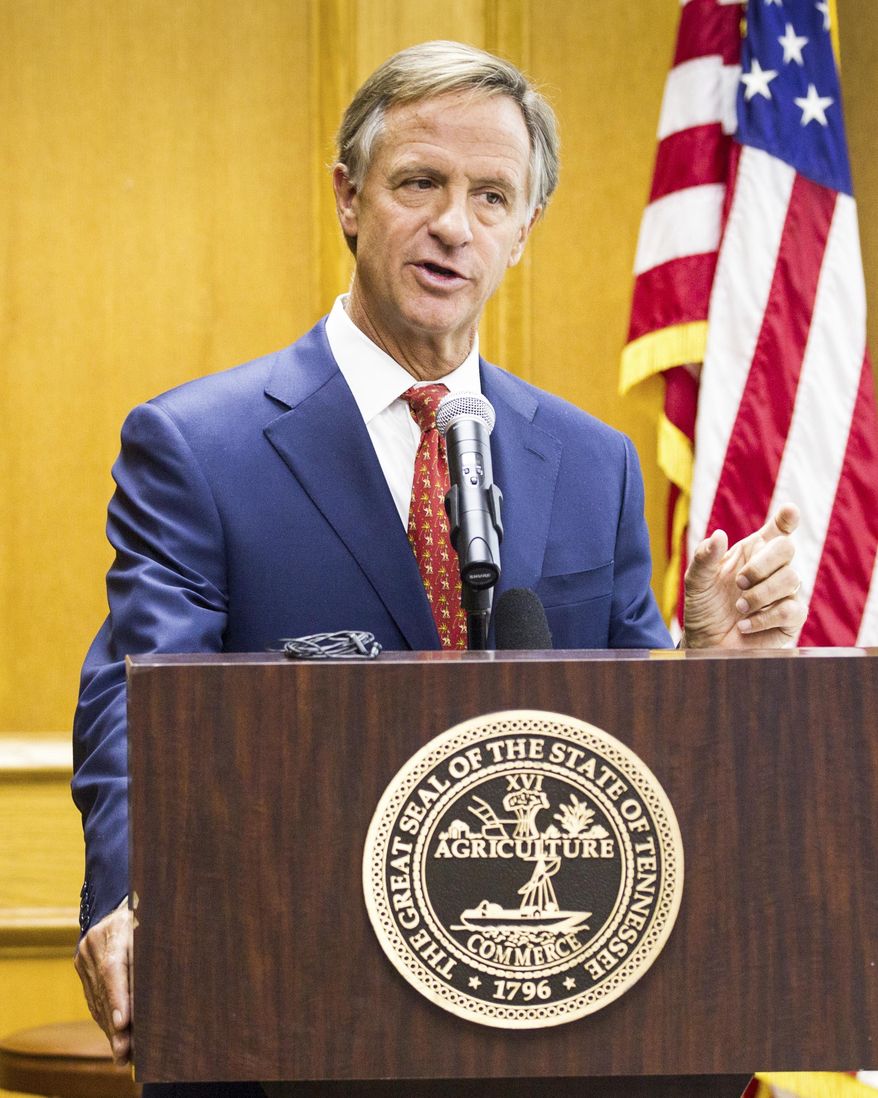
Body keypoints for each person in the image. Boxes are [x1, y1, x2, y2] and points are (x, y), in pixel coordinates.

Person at [71, 40, 805, 1088]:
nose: (453, 224)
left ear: (523, 232)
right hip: (296, 1009)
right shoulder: (200, 446)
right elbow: (136, 709)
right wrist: (129, 901)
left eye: (491, 196)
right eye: (419, 182)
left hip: (552, 1018)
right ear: (348, 199)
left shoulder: (591, 463)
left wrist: (713, 664)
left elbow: (633, 748)